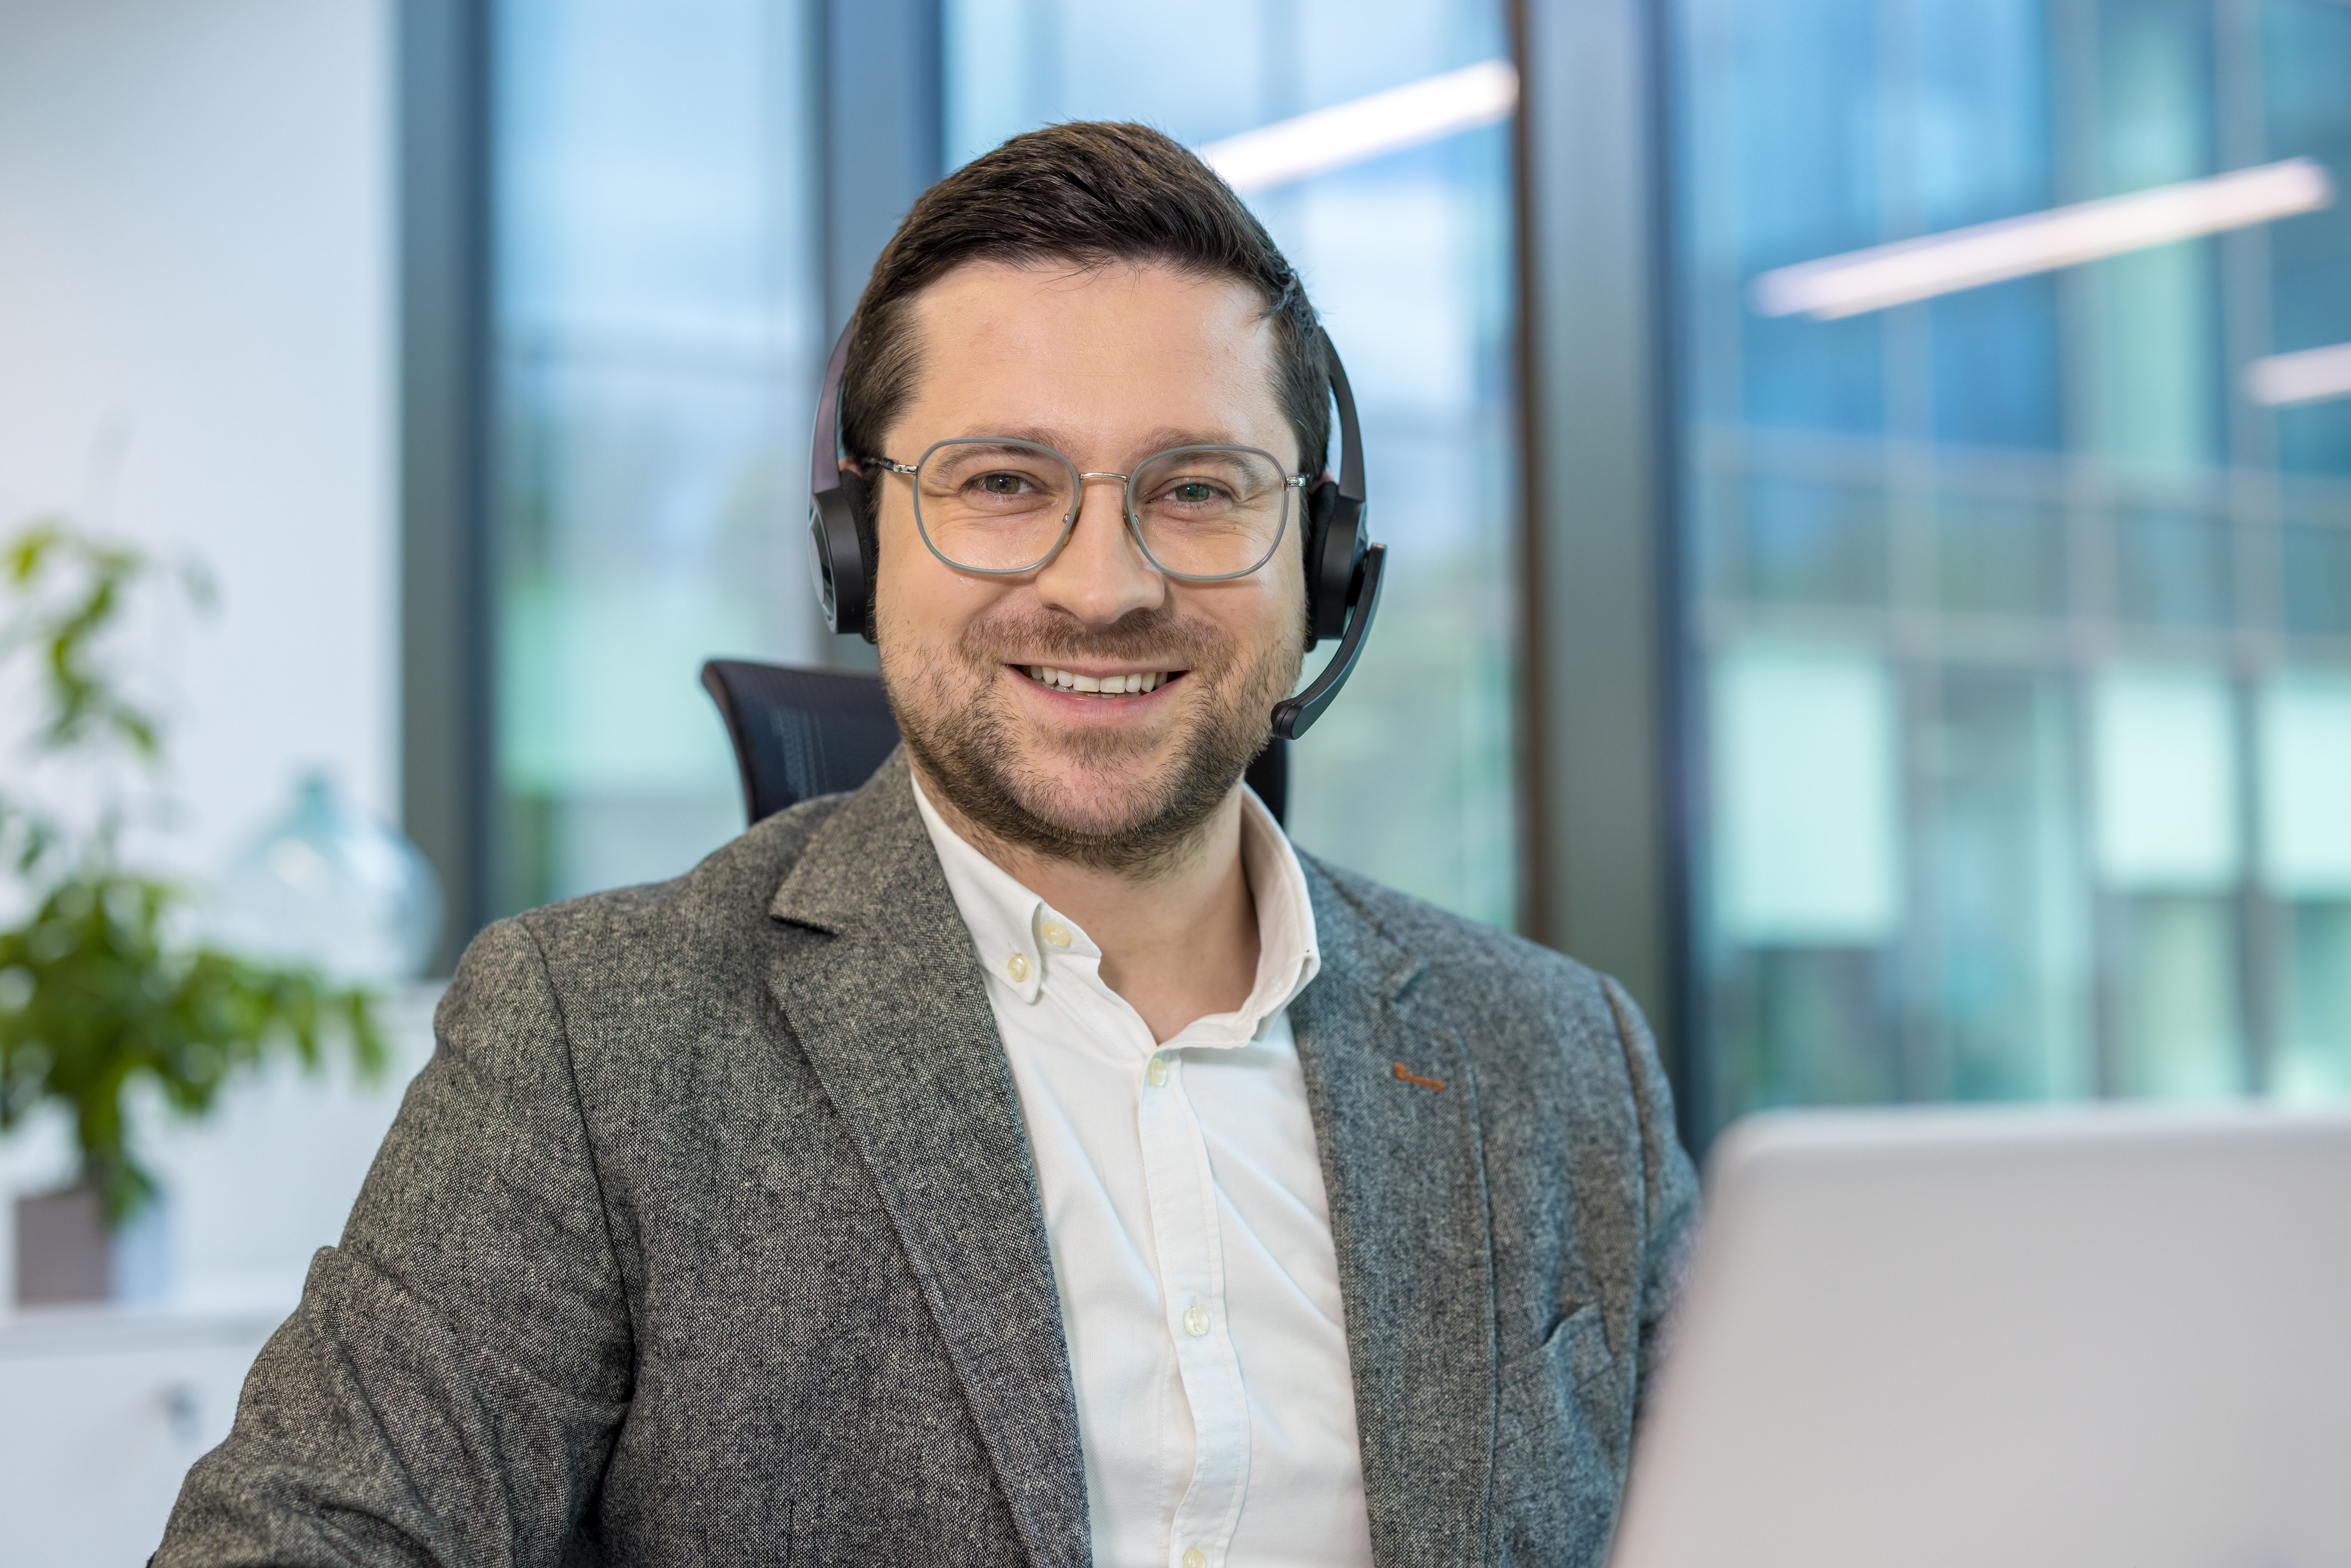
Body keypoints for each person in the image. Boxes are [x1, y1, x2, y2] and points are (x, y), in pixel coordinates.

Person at [156, 122, 1695, 1568]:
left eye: (1200, 490)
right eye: (1005, 486)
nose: (1104, 586)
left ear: (1326, 567)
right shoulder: (595, 1041)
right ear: (857, 550)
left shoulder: (1564, 1063)